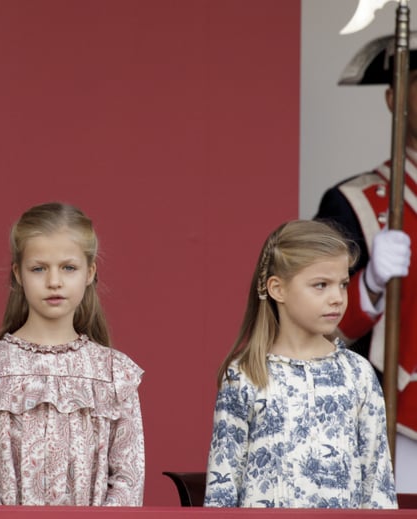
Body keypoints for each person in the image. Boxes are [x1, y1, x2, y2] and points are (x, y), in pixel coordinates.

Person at [0, 202, 144, 506]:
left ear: (90, 272)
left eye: (68, 267)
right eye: (39, 268)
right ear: (18, 273)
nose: (54, 281)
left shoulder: (115, 374)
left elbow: (127, 482)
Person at [204, 220, 397, 509]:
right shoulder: (245, 375)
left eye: (342, 284)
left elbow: (377, 479)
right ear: (277, 289)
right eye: (321, 285)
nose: (337, 298)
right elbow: (223, 484)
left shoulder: (358, 373)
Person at [316, 32, 417, 492]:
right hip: (393, 422)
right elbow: (311, 321)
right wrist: (370, 282)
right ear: (394, 97)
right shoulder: (353, 203)